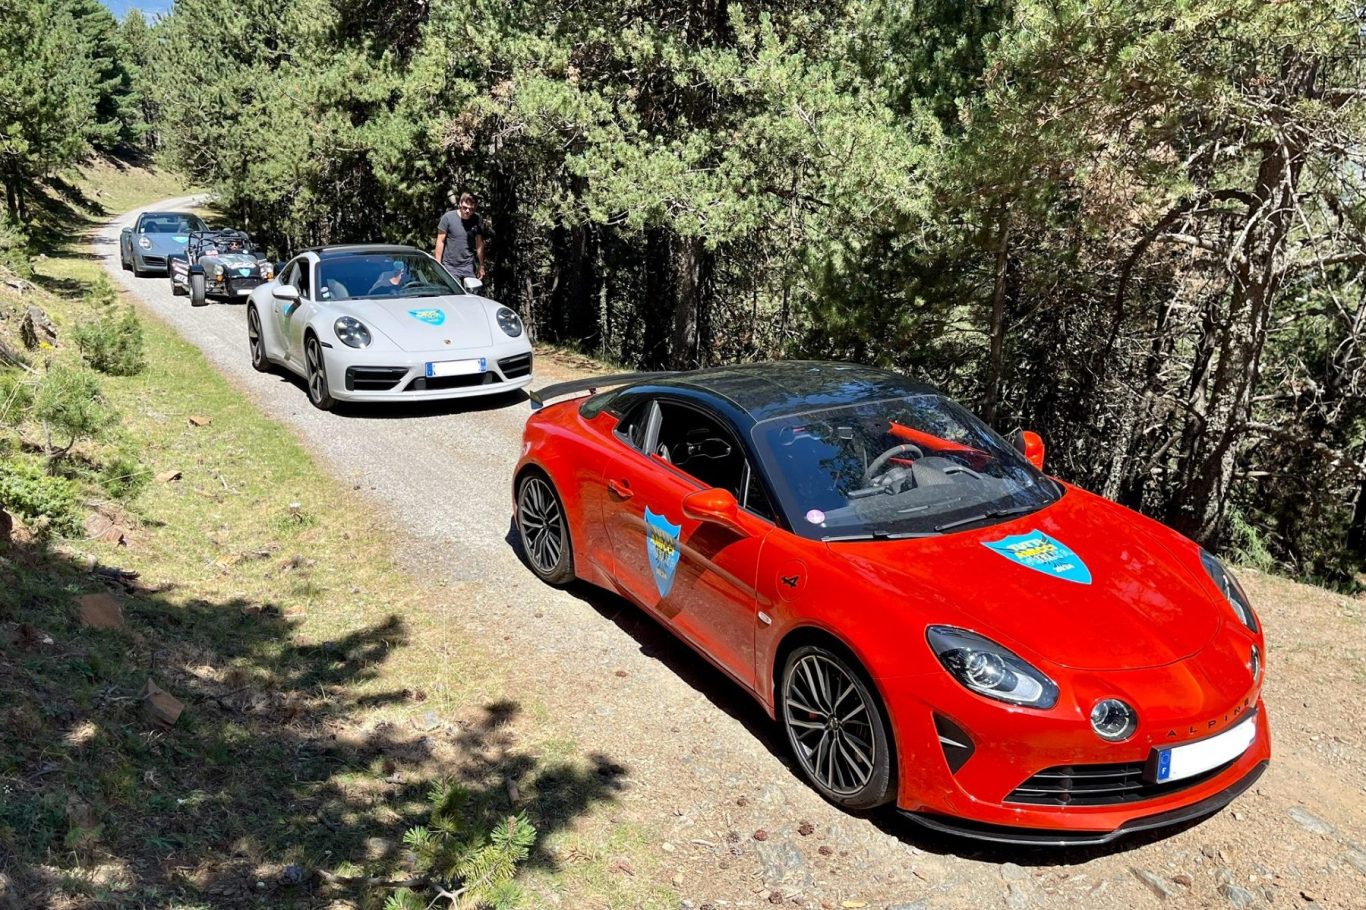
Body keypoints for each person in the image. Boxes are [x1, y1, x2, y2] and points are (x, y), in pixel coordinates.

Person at [434, 191, 486, 282]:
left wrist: (481, 265)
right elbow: (440, 241)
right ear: (460, 204)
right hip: (450, 266)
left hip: (468, 266)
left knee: (472, 290)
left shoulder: (477, 220)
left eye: (471, 209)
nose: (467, 211)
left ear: (475, 207)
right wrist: (437, 265)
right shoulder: (448, 218)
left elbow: (479, 243)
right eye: (465, 207)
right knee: (455, 290)